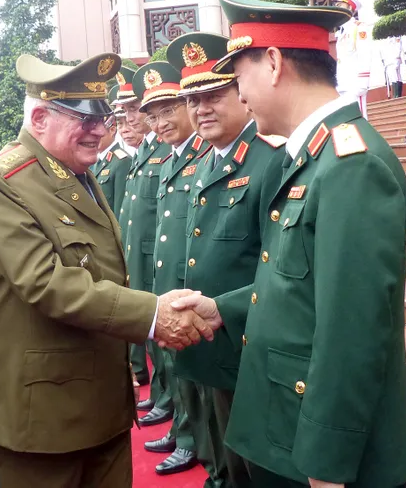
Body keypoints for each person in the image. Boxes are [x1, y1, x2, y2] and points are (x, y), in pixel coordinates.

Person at [172, 0, 406, 488]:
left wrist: (327, 462)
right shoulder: (313, 157)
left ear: (274, 62)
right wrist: (224, 309)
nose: (239, 95)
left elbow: (353, 331)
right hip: (285, 427)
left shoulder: (351, 165)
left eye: (239, 77)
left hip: (318, 453)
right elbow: (295, 283)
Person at [0, 52, 219, 487]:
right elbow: (46, 282)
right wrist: (154, 315)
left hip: (100, 404)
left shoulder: (73, 172)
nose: (100, 130)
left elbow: (104, 271)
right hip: (43, 420)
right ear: (40, 118)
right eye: (84, 120)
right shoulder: (2, 182)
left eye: (101, 118)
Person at [168, 31, 286, 488]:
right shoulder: (206, 162)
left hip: (250, 344)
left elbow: (278, 263)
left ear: (241, 93)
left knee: (255, 467)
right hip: (209, 343)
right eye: (193, 101)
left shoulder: (270, 159)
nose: (202, 109)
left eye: (214, 96)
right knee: (222, 457)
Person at [133, 60, 206, 476]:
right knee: (174, 365)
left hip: (189, 282)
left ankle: (192, 440)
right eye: (154, 117)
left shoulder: (203, 153)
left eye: (168, 111)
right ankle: (182, 429)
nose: (160, 124)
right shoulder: (170, 158)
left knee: (191, 370)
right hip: (166, 279)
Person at [117, 67, 175, 414]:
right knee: (152, 333)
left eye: (133, 109)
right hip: (140, 255)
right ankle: (161, 393)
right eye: (125, 111)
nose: (129, 118)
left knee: (163, 335)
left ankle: (169, 401)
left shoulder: (165, 149)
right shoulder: (144, 151)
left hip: (156, 256)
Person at [332, 0, 374, 119]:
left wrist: (362, 82)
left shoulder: (359, 28)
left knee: (360, 119)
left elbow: (365, 54)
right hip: (344, 83)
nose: (337, 7)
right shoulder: (341, 31)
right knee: (349, 122)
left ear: (350, 7)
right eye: (336, 4)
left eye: (340, 4)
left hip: (355, 83)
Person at [92, 86, 132, 217]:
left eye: (99, 133)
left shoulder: (122, 162)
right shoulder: (96, 161)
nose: (93, 137)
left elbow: (120, 209)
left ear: (112, 130)